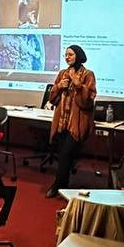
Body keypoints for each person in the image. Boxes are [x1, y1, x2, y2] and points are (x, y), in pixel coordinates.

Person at [44, 44, 97, 198]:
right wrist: (59, 87)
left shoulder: (88, 75)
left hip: (76, 123)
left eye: (70, 54)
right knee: (63, 155)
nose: (67, 57)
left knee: (66, 154)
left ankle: (57, 185)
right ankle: (64, 186)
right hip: (62, 122)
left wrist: (78, 85)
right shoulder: (62, 74)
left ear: (78, 56)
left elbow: (88, 102)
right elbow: (52, 100)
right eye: (65, 55)